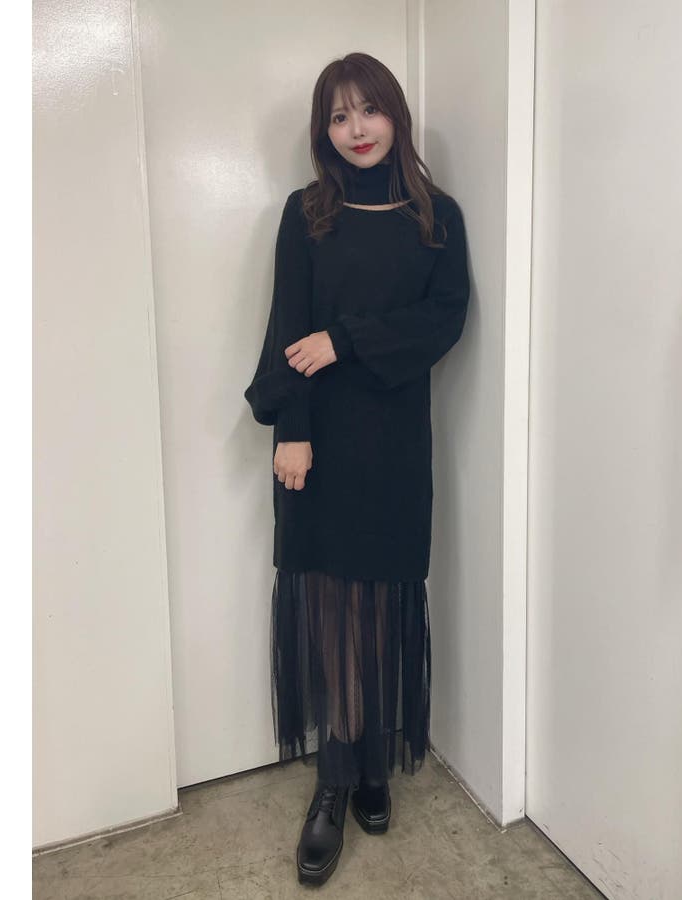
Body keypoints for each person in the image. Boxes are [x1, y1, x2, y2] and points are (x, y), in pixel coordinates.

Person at [244, 51, 470, 886]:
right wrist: (290, 431)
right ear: (323, 131)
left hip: (396, 443)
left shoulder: (437, 217)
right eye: (338, 116)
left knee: (383, 598)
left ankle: (375, 759)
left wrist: (347, 340)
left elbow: (444, 319)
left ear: (395, 116)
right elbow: (287, 328)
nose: (356, 129)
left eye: (368, 110)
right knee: (333, 604)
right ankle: (337, 778)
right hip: (320, 442)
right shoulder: (307, 214)